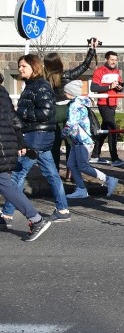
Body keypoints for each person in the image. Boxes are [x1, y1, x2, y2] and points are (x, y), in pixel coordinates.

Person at [1, 55, 71, 223]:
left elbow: (46, 112)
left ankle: (7, 213)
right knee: (52, 173)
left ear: (34, 67)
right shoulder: (32, 85)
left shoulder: (41, 86)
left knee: (18, 174)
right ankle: (62, 210)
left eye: (24, 66)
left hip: (37, 136)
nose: (20, 69)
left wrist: (22, 114)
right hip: (39, 135)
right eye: (19, 66)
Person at [0, 75, 51, 240]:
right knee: (5, 184)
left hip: (3, 147)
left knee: (5, 184)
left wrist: (21, 143)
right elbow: (15, 119)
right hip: (6, 146)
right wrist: (21, 142)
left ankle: (36, 219)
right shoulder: (2, 92)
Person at [44, 37, 100, 171]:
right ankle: (72, 172)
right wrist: (92, 49)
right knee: (72, 144)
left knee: (54, 146)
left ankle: (55, 173)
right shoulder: (67, 75)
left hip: (54, 113)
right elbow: (85, 66)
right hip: (69, 111)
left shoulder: (45, 79)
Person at [61, 80, 119, 199]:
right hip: (78, 140)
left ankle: (108, 179)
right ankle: (81, 188)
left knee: (82, 166)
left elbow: (71, 125)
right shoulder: (80, 103)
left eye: (66, 91)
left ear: (70, 92)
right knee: (71, 164)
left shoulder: (75, 106)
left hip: (82, 141)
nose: (64, 92)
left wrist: (62, 134)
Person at [90, 50, 124, 166]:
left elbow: (121, 86)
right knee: (112, 129)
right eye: (112, 59)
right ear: (106, 59)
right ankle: (114, 158)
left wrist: (119, 87)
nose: (114, 62)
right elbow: (93, 87)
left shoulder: (116, 71)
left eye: (115, 60)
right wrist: (109, 86)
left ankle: (95, 155)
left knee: (105, 130)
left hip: (113, 103)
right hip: (104, 104)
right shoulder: (99, 71)